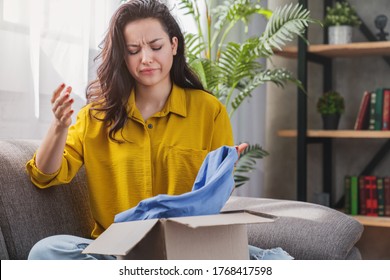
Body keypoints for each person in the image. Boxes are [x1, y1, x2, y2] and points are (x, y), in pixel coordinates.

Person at [26, 0, 291, 260]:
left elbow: (213, 201)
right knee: (46, 251)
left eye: (156, 46)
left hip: (188, 248)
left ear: (174, 45)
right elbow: (45, 175)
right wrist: (59, 127)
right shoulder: (95, 117)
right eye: (133, 50)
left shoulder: (209, 111)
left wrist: (221, 173)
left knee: (277, 261)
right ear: (123, 56)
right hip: (118, 251)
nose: (146, 59)